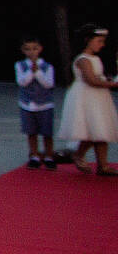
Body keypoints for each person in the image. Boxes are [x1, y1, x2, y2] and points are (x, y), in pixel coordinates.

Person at [59, 25, 117, 176]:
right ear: (87, 40)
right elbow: (91, 80)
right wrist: (113, 84)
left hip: (98, 98)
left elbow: (97, 77)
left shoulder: (95, 58)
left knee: (101, 131)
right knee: (93, 131)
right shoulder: (83, 59)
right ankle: (78, 154)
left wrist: (106, 79)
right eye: (99, 41)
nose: (102, 45)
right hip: (87, 98)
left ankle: (103, 165)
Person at [15, 38, 57, 170]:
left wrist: (37, 72)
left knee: (47, 133)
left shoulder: (47, 66)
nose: (31, 52)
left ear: (40, 49)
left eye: (34, 48)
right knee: (31, 132)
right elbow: (22, 82)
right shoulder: (20, 65)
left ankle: (49, 156)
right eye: (28, 49)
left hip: (44, 104)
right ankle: (34, 156)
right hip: (27, 104)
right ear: (23, 51)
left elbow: (49, 84)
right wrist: (31, 71)